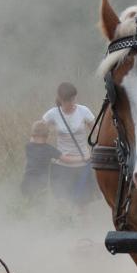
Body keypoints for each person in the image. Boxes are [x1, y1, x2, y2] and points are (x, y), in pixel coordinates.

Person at [42, 82, 97, 211]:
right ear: (60, 99)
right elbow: (38, 132)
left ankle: (86, 231)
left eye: (74, 99)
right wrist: (45, 154)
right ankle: (62, 230)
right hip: (61, 167)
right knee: (62, 203)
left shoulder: (84, 111)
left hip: (82, 166)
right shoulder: (52, 114)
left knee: (84, 208)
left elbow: (97, 131)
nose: (72, 103)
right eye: (68, 100)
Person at [20, 120, 84, 207]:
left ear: (33, 134)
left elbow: (35, 147)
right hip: (41, 183)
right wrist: (83, 158)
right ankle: (39, 220)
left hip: (27, 182)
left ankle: (24, 219)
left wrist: (34, 134)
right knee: (40, 208)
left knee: (28, 205)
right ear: (47, 135)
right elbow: (67, 160)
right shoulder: (49, 149)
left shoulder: (28, 146)